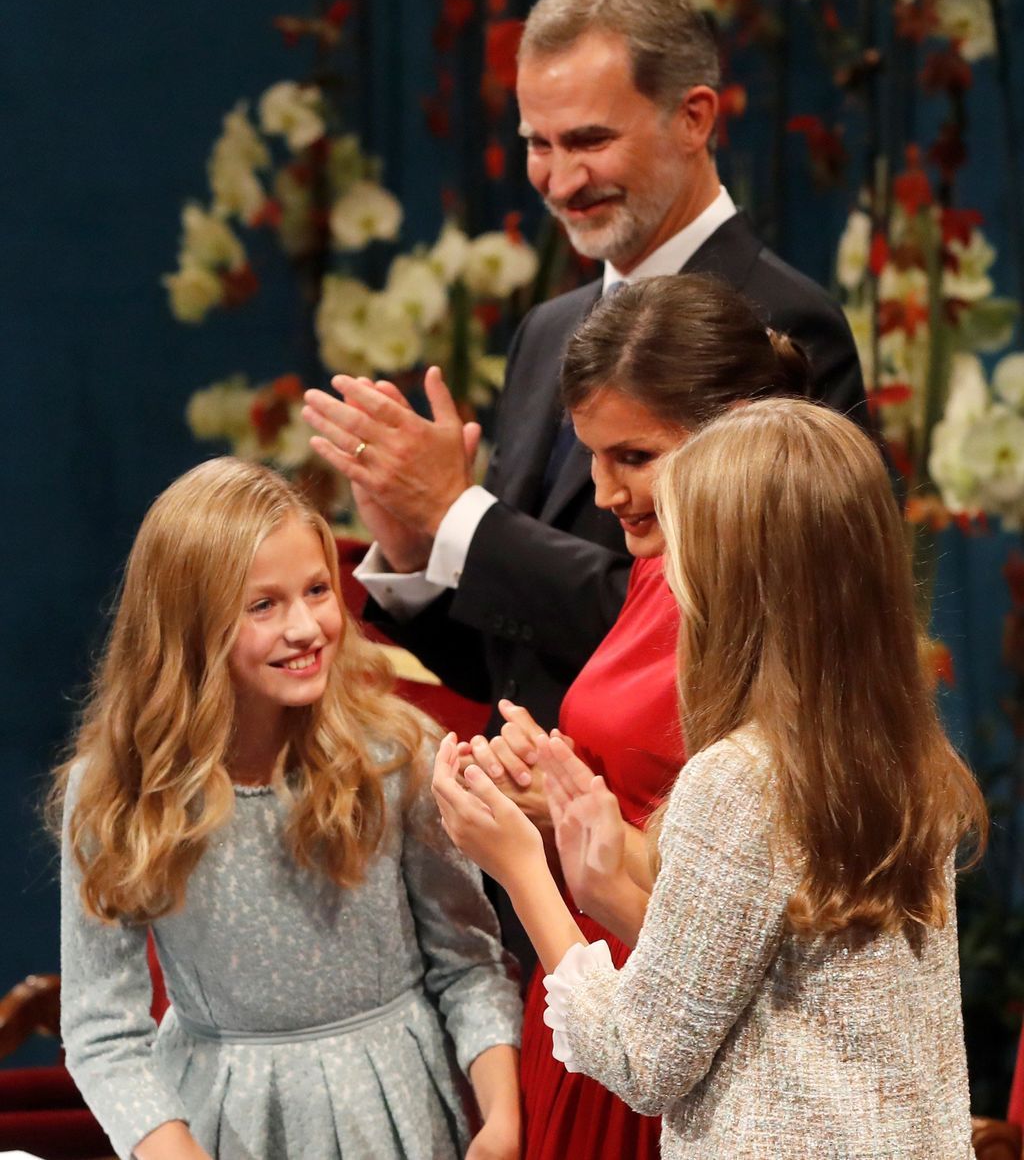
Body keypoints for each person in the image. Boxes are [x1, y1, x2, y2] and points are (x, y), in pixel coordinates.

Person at [301, 0, 874, 739]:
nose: (561, 180)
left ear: (695, 118)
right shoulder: (548, 330)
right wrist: (415, 549)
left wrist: (459, 515)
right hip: (536, 843)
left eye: (590, 140)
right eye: (538, 143)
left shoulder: (784, 322)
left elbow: (737, 636)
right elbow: (515, 663)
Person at [432, 398, 987, 1159]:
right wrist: (600, 884)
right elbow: (775, 995)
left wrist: (522, 867)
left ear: (734, 578)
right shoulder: (905, 754)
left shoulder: (739, 778)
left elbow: (642, 1063)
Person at [52, 458, 521, 1160]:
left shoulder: (395, 755)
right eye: (263, 605)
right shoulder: (116, 790)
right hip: (216, 1123)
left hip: (402, 1113)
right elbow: (102, 1032)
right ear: (191, 626)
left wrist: (503, 1119)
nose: (306, 627)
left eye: (316, 590)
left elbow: (468, 964)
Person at [455, 272, 811, 1160]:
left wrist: (532, 854)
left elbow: (741, 902)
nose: (605, 492)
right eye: (592, 456)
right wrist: (560, 792)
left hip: (668, 1035)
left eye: (635, 458)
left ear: (731, 429)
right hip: (589, 1000)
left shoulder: (775, 619)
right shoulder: (659, 566)